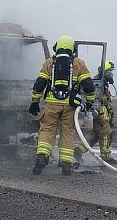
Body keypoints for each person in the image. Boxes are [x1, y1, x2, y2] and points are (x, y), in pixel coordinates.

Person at [28, 35, 96, 176]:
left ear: (56, 48)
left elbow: (39, 83)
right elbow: (89, 86)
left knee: (47, 130)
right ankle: (66, 164)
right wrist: (89, 102)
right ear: (72, 49)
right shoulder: (79, 63)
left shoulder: (49, 63)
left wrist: (34, 102)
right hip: (70, 106)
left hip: (51, 104)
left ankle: (42, 156)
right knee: (67, 132)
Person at [74, 60, 117, 166]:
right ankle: (106, 158)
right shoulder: (98, 84)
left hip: (102, 113)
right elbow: (96, 100)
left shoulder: (103, 84)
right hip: (101, 114)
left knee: (95, 135)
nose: (111, 75)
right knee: (105, 134)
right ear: (104, 72)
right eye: (109, 72)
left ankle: (78, 149)